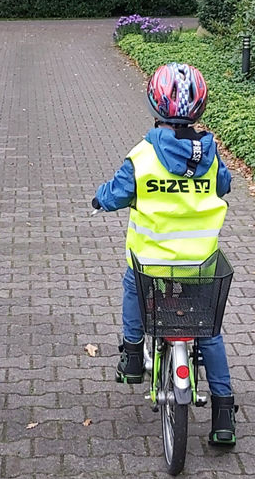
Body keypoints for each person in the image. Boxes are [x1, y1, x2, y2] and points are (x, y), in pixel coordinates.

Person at [92, 62, 238, 446]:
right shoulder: (210, 152)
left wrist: (101, 200)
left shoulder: (142, 156)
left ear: (155, 106)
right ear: (201, 108)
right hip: (200, 264)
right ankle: (224, 413)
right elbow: (224, 185)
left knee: (131, 286)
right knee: (208, 331)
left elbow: (116, 193)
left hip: (152, 264)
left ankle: (133, 354)